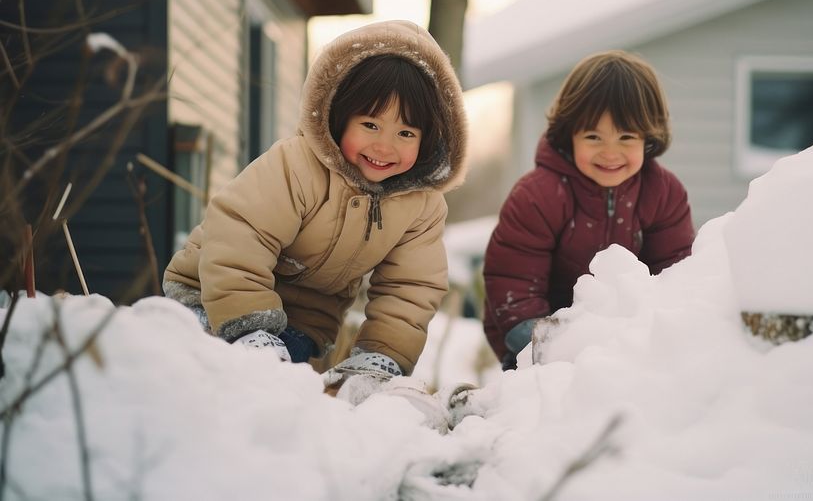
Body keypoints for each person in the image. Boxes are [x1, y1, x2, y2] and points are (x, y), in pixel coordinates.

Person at [163, 20, 467, 382]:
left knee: (275, 398)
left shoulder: (421, 206)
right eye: (370, 125)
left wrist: (381, 355)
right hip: (210, 296)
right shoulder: (297, 166)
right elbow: (241, 233)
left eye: (405, 133)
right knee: (200, 377)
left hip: (301, 322)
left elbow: (411, 288)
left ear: (429, 140)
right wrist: (248, 324)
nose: (385, 146)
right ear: (340, 117)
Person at [482, 50, 695, 370]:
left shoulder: (664, 194)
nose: (610, 152)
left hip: (631, 341)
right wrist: (550, 348)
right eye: (594, 137)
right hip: (537, 343)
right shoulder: (538, 196)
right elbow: (514, 283)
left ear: (649, 137)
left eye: (626, 137)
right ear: (570, 135)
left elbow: (674, 277)